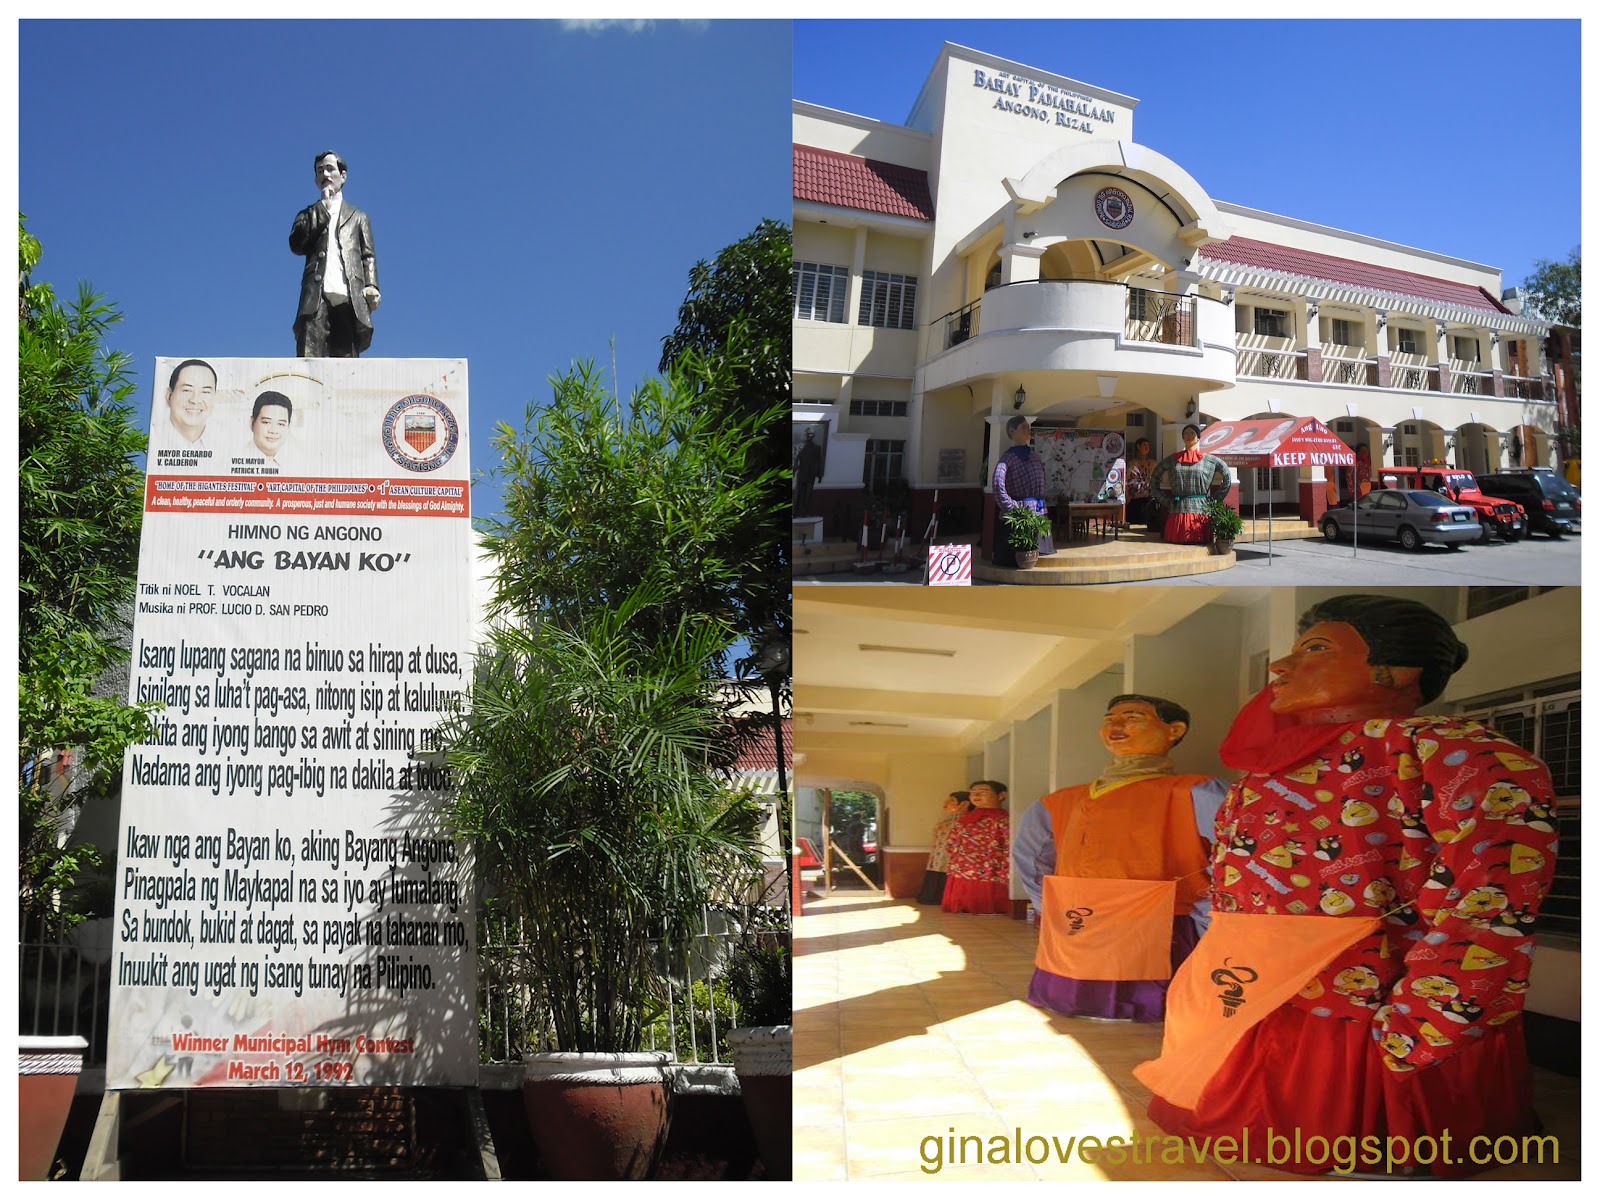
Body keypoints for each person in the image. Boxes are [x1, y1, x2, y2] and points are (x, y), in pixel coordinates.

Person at [1140, 595, 1558, 1177]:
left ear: (1398, 671)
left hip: (1376, 997)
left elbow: (1491, 895)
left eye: (1314, 650)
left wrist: (1430, 1017)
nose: (1279, 668)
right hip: (1258, 982)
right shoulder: (1262, 774)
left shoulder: (1456, 751)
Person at [1013, 695, 1228, 1021]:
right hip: (1081, 916)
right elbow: (1029, 855)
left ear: (1174, 730)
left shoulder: (1194, 791)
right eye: (1109, 718)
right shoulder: (1059, 801)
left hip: (1164, 919)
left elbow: (1236, 851)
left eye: (1132, 717)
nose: (1115, 725)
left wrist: (1208, 905)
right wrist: (1050, 904)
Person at [290, 150, 379, 357]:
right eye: (320, 171)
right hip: (316, 294)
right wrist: (322, 209)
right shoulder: (308, 214)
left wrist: (371, 285)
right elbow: (296, 244)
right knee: (309, 353)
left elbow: (368, 255)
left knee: (347, 356)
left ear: (343, 175)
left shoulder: (358, 216)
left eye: (330, 169)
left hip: (349, 294)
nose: (325, 175)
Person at [1151, 423, 1231, 544]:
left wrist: (1214, 500)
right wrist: (1166, 501)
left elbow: (1227, 476)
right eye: (1186, 433)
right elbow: (1154, 478)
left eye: (1192, 433)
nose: (1188, 436)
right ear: (1182, 437)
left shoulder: (1209, 460)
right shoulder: (1172, 460)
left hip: (1201, 511)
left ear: (1198, 437)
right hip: (1178, 510)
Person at [992, 416, 1054, 566]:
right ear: (1013, 431)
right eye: (1024, 427)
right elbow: (997, 485)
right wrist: (1012, 508)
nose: (1028, 430)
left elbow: (1042, 480)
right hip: (1021, 514)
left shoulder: (1034, 457)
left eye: (1028, 426)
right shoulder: (1007, 459)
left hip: (1037, 512)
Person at [942, 780, 1011, 914]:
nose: (976, 796)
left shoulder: (1004, 819)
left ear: (1001, 796)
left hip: (992, 864)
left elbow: (1009, 842)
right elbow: (951, 841)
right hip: (964, 865)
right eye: (973, 793)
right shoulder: (964, 819)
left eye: (983, 792)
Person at [917, 791, 972, 905]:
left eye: (952, 800)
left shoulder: (968, 822)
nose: (946, 803)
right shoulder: (946, 822)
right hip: (938, 858)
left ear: (965, 804)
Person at [156, 359, 218, 449]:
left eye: (205, 392)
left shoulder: (226, 446)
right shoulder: (153, 441)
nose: (195, 400)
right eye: (187, 390)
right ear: (169, 396)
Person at [239, 391, 295, 470]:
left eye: (281, 424)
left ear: (289, 427)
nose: (273, 431)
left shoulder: (296, 464)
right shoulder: (236, 459)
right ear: (252, 423)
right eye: (266, 422)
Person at [1124, 437, 1157, 526]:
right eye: (1144, 445)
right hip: (1136, 499)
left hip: (1149, 497)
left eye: (1148, 445)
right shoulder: (1133, 463)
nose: (1147, 447)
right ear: (1138, 447)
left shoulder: (1152, 463)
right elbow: (1129, 480)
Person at [794, 428, 824, 516]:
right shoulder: (798, 447)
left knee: (808, 495)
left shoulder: (817, 448)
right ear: (805, 434)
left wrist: (819, 474)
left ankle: (804, 512)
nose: (810, 436)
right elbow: (795, 460)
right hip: (801, 474)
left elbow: (819, 461)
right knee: (798, 494)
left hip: (811, 475)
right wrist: (793, 470)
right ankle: (794, 512)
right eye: (808, 434)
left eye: (811, 434)